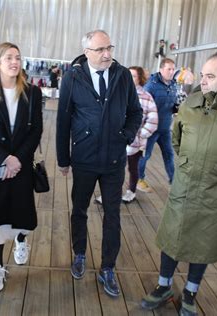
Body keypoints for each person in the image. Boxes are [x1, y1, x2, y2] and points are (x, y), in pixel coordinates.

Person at [141, 52, 217, 316]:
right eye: (203, 74)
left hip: (216, 194)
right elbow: (176, 140)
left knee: (203, 243)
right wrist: (186, 168)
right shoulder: (190, 105)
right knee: (172, 237)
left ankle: (190, 293)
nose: (203, 81)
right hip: (184, 186)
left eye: (210, 76)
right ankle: (163, 287)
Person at [56, 30, 142, 297]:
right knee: (79, 209)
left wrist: (124, 137)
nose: (107, 54)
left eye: (109, 48)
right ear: (87, 53)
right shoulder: (72, 76)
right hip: (83, 157)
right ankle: (79, 254)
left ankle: (108, 267)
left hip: (114, 159)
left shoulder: (122, 75)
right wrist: (63, 158)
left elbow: (135, 112)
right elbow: (63, 119)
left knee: (113, 215)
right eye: (100, 50)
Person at [0, 42, 43, 291]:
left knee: (21, 213)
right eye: (9, 57)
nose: (15, 62)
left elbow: (36, 130)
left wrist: (18, 159)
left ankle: (22, 239)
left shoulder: (33, 93)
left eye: (18, 57)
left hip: (21, 166)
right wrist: (6, 158)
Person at [96, 66, 158, 203]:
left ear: (140, 78)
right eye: (128, 75)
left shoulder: (146, 97)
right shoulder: (116, 93)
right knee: (112, 168)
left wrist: (140, 134)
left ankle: (131, 192)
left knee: (132, 167)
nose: (130, 79)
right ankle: (109, 194)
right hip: (115, 140)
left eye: (134, 76)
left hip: (135, 142)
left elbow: (153, 121)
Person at [137, 58, 177, 193]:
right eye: (168, 69)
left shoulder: (173, 85)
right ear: (161, 70)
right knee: (145, 155)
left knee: (169, 155)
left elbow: (172, 104)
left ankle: (174, 181)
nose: (171, 72)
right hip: (152, 128)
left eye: (173, 69)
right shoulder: (151, 85)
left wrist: (176, 107)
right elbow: (144, 106)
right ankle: (139, 179)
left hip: (165, 128)